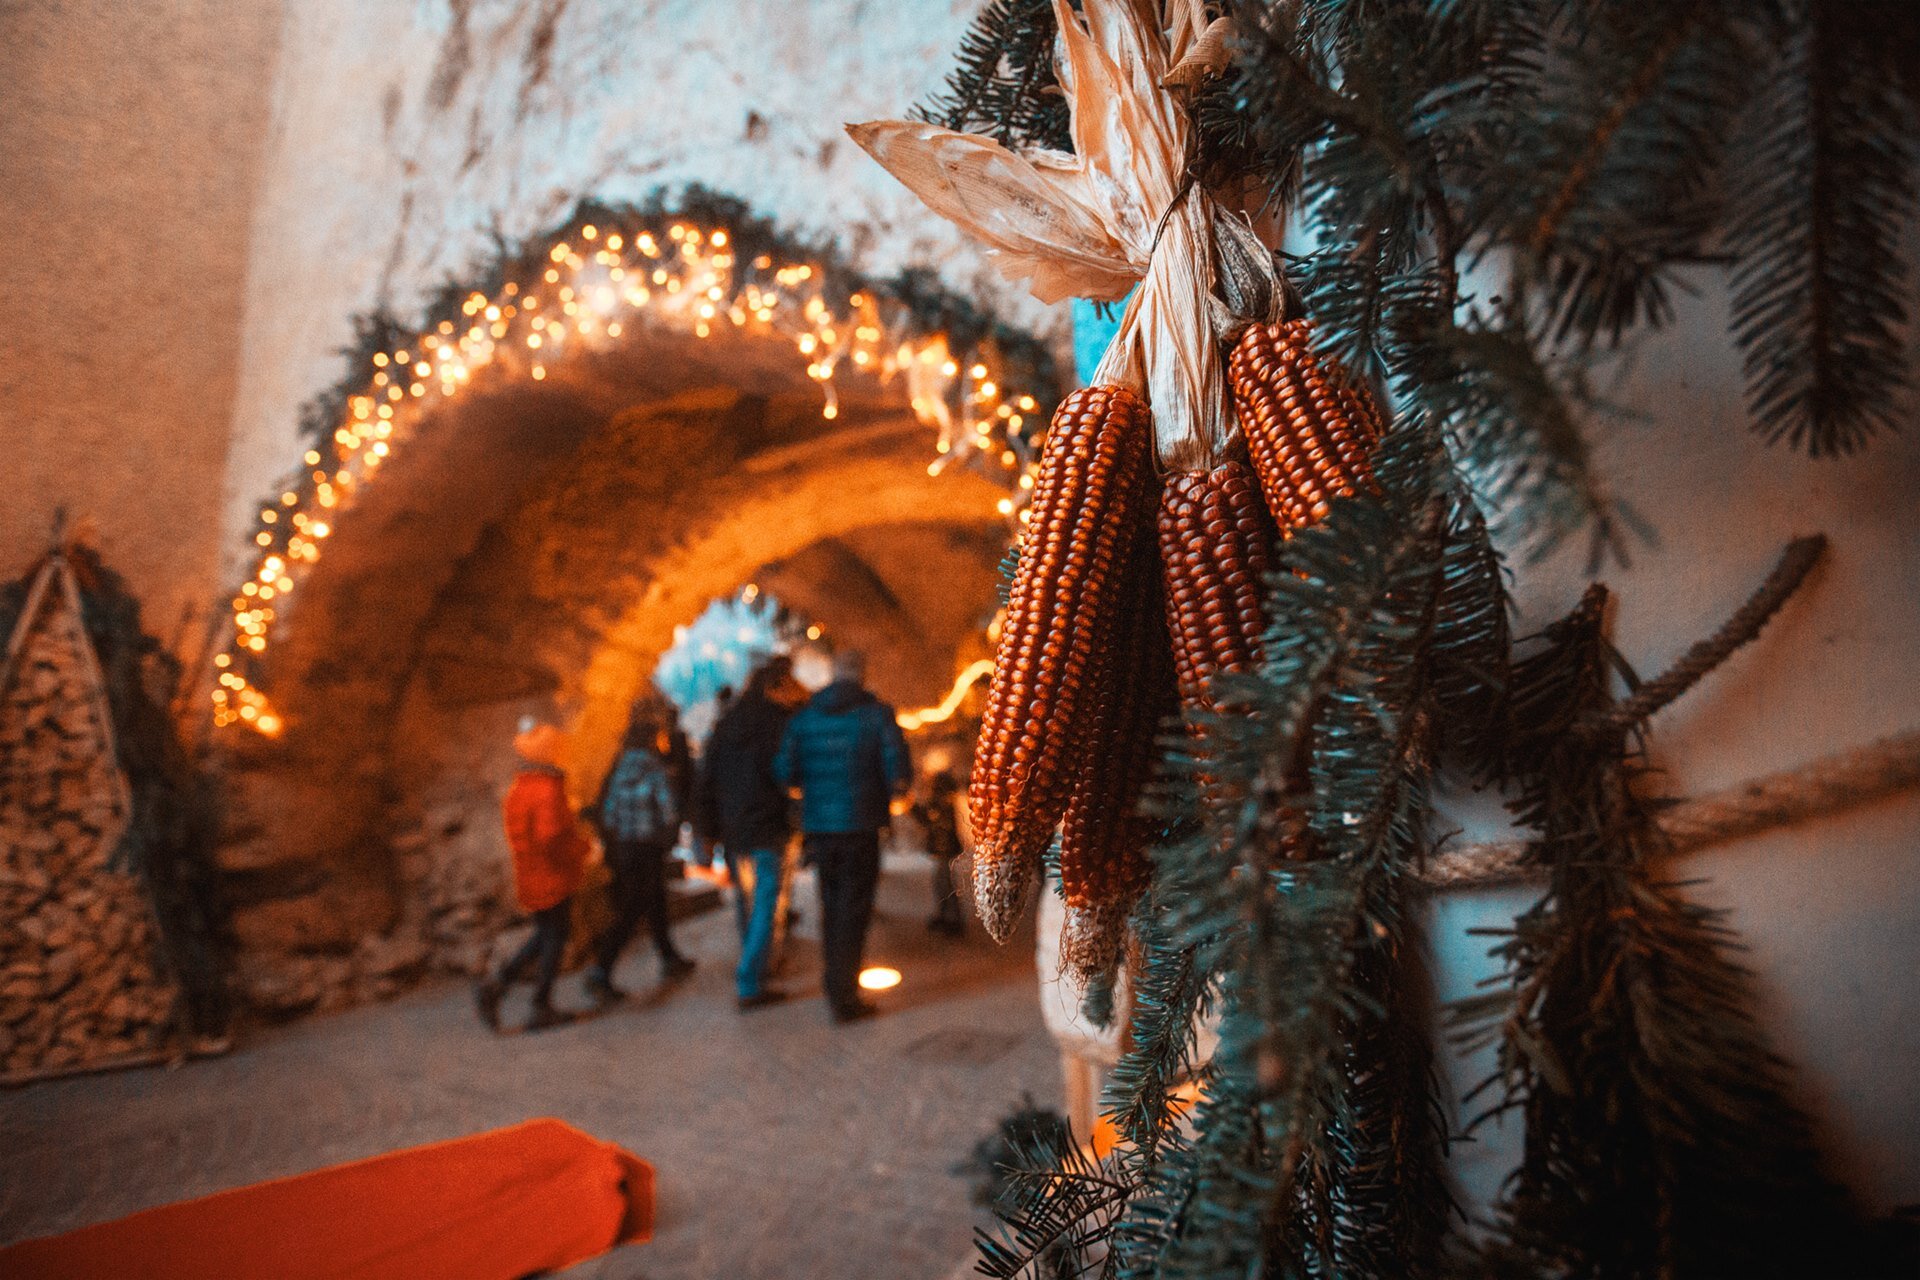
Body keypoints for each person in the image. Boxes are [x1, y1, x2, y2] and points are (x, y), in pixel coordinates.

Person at [773, 649, 911, 1023]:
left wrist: (814, 788)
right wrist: (891, 791)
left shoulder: (804, 718)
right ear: (861, 675)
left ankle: (834, 982)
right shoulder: (877, 715)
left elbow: (785, 770)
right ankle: (844, 996)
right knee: (854, 908)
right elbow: (898, 768)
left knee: (830, 906)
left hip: (820, 826)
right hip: (860, 825)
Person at [692, 656, 799, 1010]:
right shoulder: (778, 722)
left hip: (735, 829)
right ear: (774, 686)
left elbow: (706, 781)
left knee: (747, 903)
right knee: (768, 904)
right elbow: (787, 775)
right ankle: (751, 980)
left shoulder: (726, 724)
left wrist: (707, 831)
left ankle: (757, 964)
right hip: (767, 825)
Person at [477, 718, 591, 1033]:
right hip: (552, 876)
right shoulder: (546, 789)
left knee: (545, 936)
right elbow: (551, 838)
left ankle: (498, 988)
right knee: (553, 938)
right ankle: (537, 1003)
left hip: (532, 876)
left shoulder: (520, 788)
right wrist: (582, 849)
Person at [585, 700, 696, 1002]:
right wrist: (667, 832)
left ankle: (669, 957)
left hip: (625, 848)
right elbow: (669, 809)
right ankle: (600, 970)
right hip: (648, 846)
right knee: (633, 908)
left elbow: (608, 813)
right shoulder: (654, 767)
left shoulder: (620, 768)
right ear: (651, 739)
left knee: (654, 899)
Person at [911, 760, 966, 937]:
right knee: (941, 883)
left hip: (945, 848)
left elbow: (928, 819)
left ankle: (953, 920)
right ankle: (944, 916)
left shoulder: (940, 800)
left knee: (946, 884)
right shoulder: (945, 798)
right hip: (944, 847)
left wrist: (911, 806)